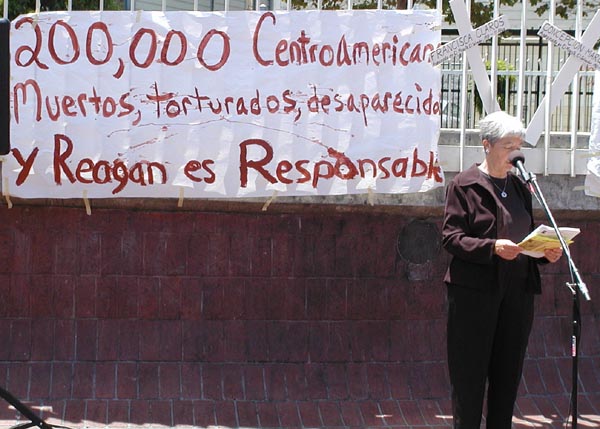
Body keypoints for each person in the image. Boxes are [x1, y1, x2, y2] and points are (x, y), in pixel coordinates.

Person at [441, 111, 563, 429]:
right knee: (469, 380)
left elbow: (526, 235)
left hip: (517, 294)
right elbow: (451, 238)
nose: (515, 153)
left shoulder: (521, 187)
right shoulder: (464, 185)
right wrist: (492, 247)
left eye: (518, 146)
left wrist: (543, 253)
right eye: (508, 146)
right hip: (474, 296)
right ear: (487, 145)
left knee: (507, 378)